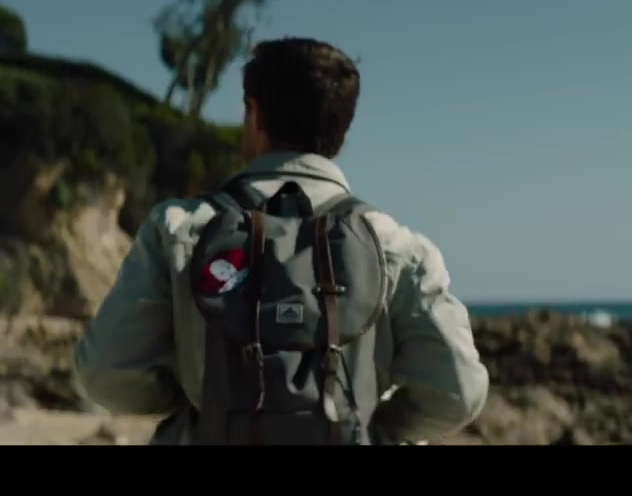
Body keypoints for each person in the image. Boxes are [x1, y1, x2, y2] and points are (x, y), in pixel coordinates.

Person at [72, 37, 489, 445]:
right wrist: (372, 428)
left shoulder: (180, 229)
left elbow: (104, 374)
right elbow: (459, 394)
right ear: (342, 129)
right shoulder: (396, 247)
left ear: (254, 115)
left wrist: (203, 406)